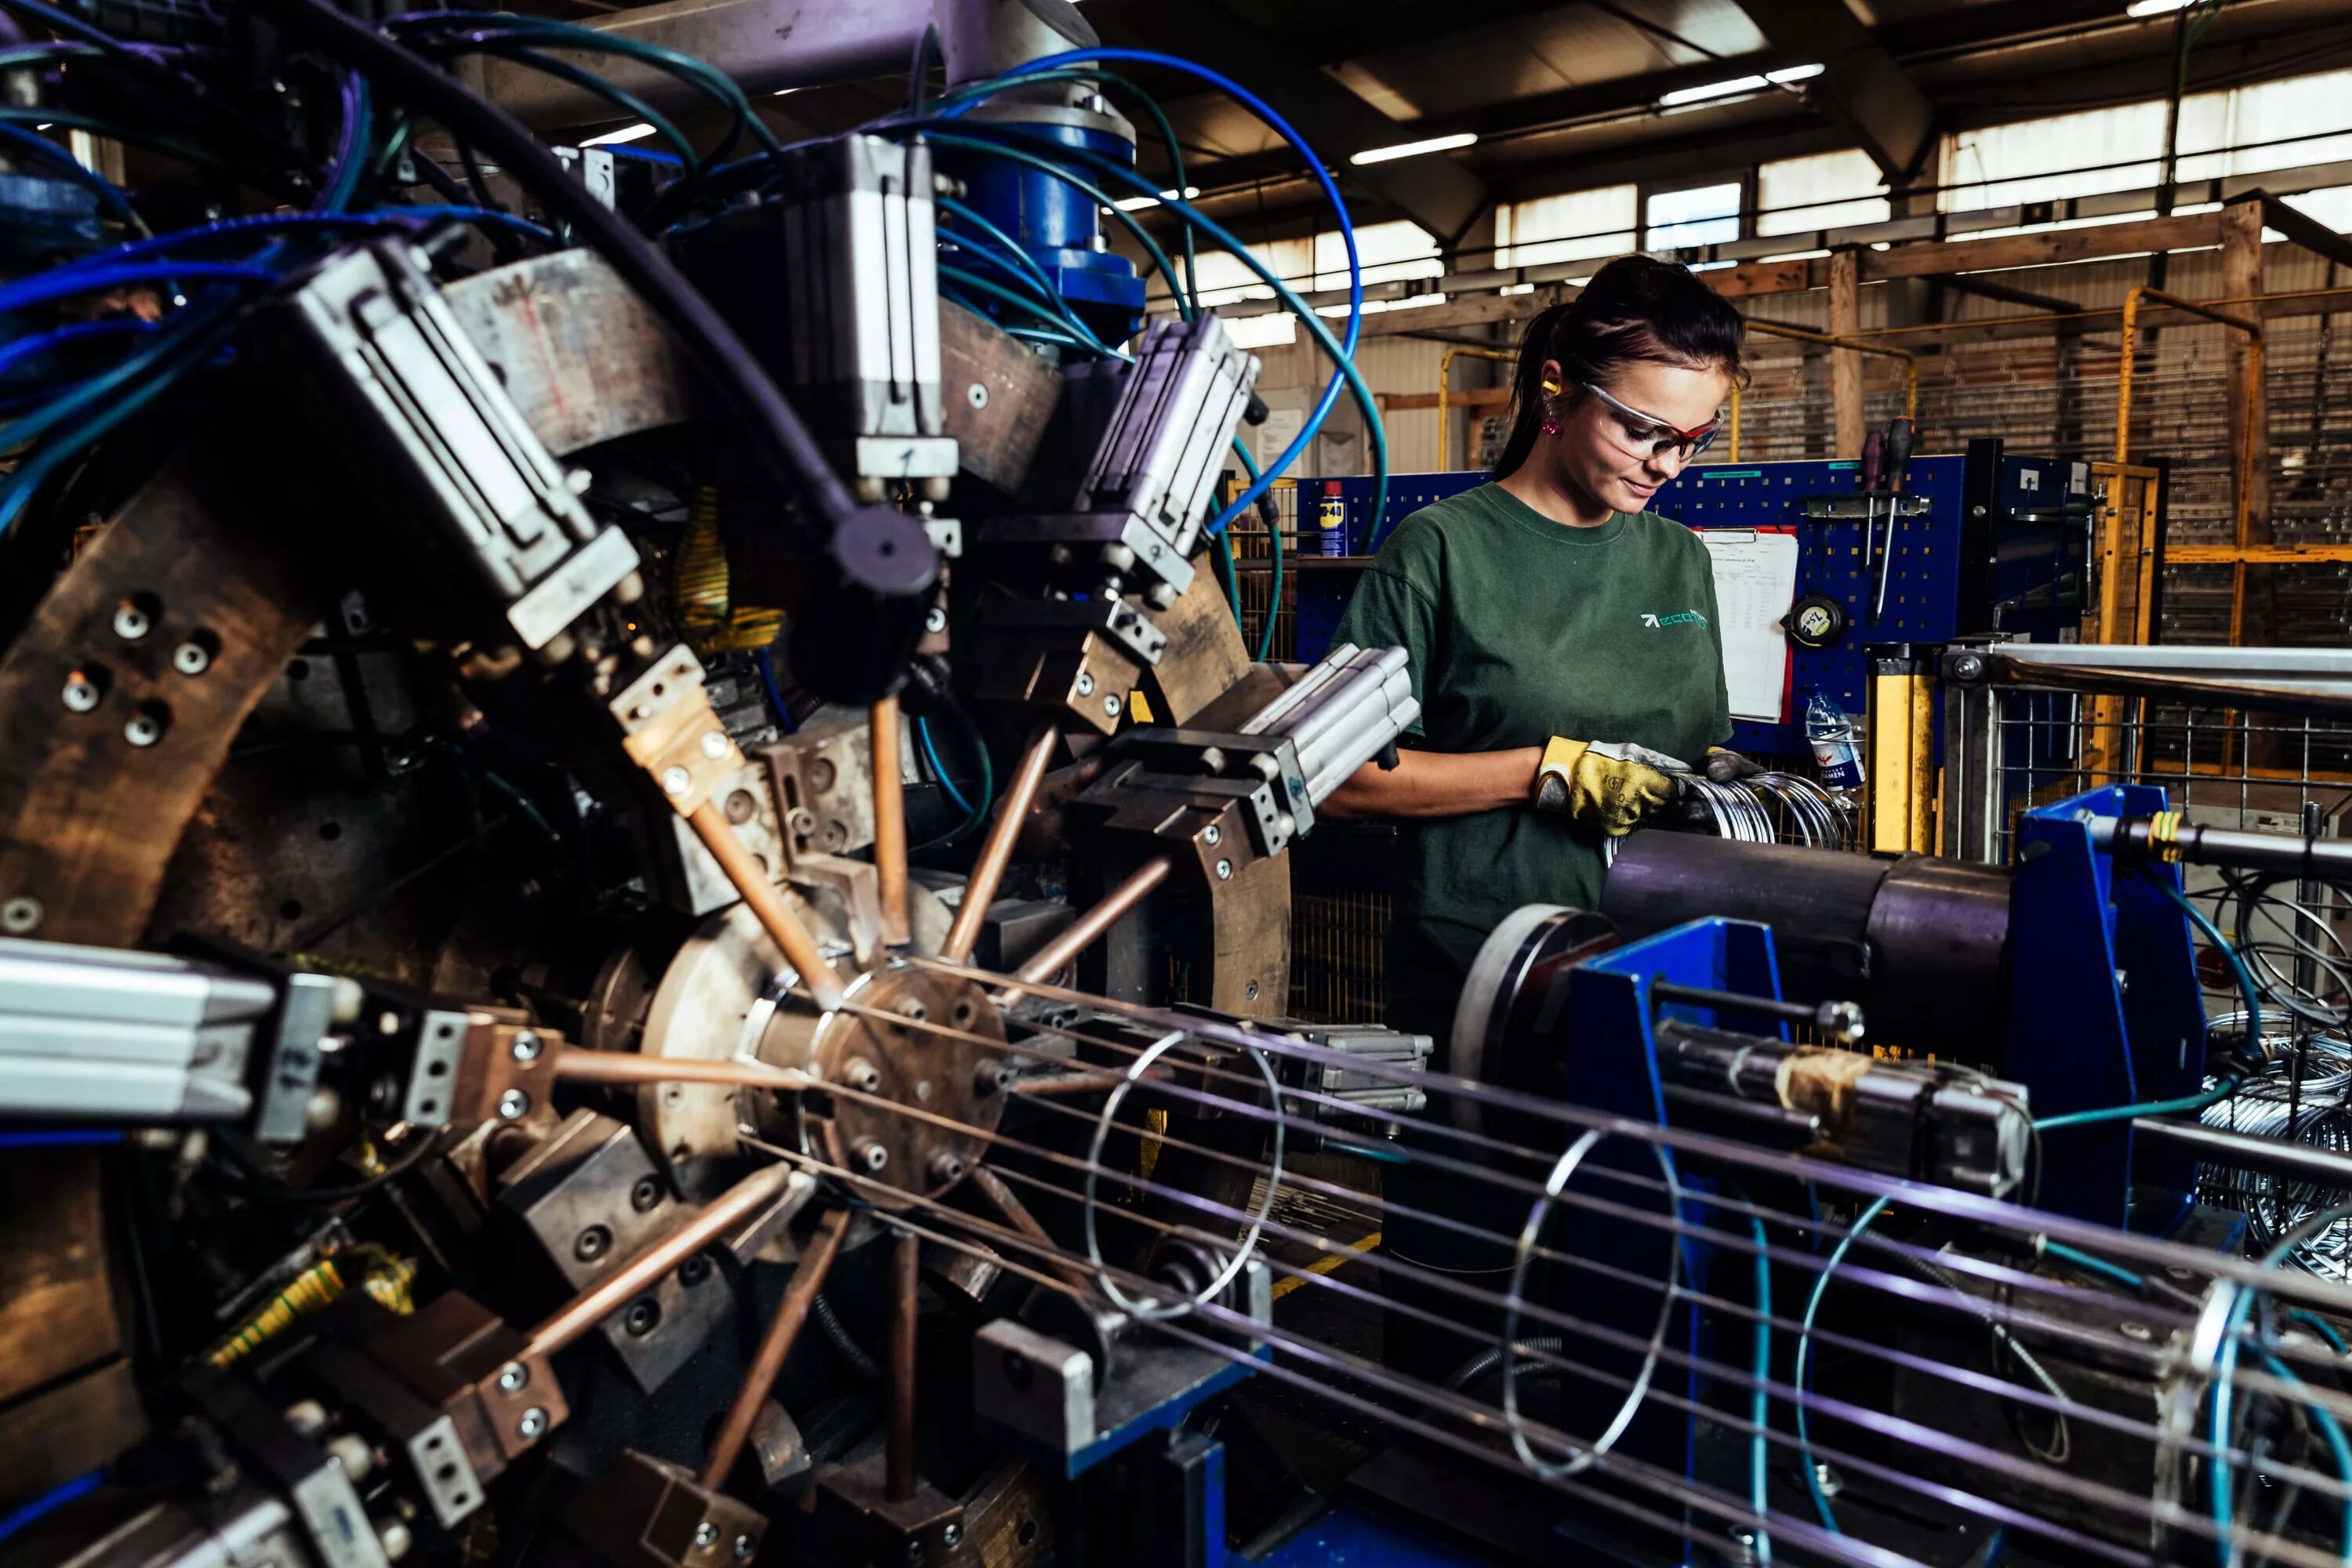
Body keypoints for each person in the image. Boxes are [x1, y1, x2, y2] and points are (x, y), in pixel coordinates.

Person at [1323, 253, 1755, 1048]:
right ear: (1558, 386)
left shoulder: (1680, 558)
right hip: (1487, 966)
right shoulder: (1442, 551)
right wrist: (1543, 772)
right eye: (1642, 429)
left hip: (1657, 959)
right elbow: (1339, 780)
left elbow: (1696, 749)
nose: (1667, 464)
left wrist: (1734, 783)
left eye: (1693, 439)